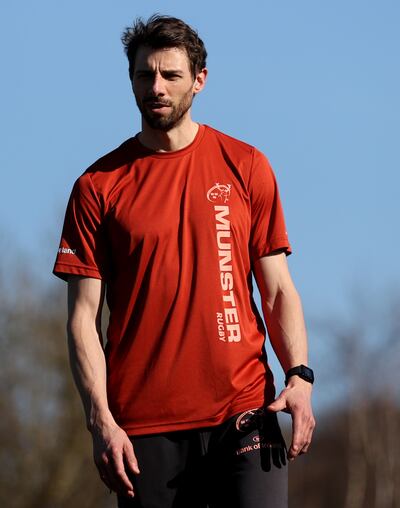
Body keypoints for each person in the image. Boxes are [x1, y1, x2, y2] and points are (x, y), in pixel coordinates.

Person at [53, 14, 315, 508]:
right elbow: (83, 320)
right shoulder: (97, 187)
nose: (156, 87)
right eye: (144, 75)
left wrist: (299, 377)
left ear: (199, 79)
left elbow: (278, 289)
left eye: (171, 75)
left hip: (245, 412)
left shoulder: (246, 165)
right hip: (144, 429)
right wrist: (101, 421)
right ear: (130, 79)